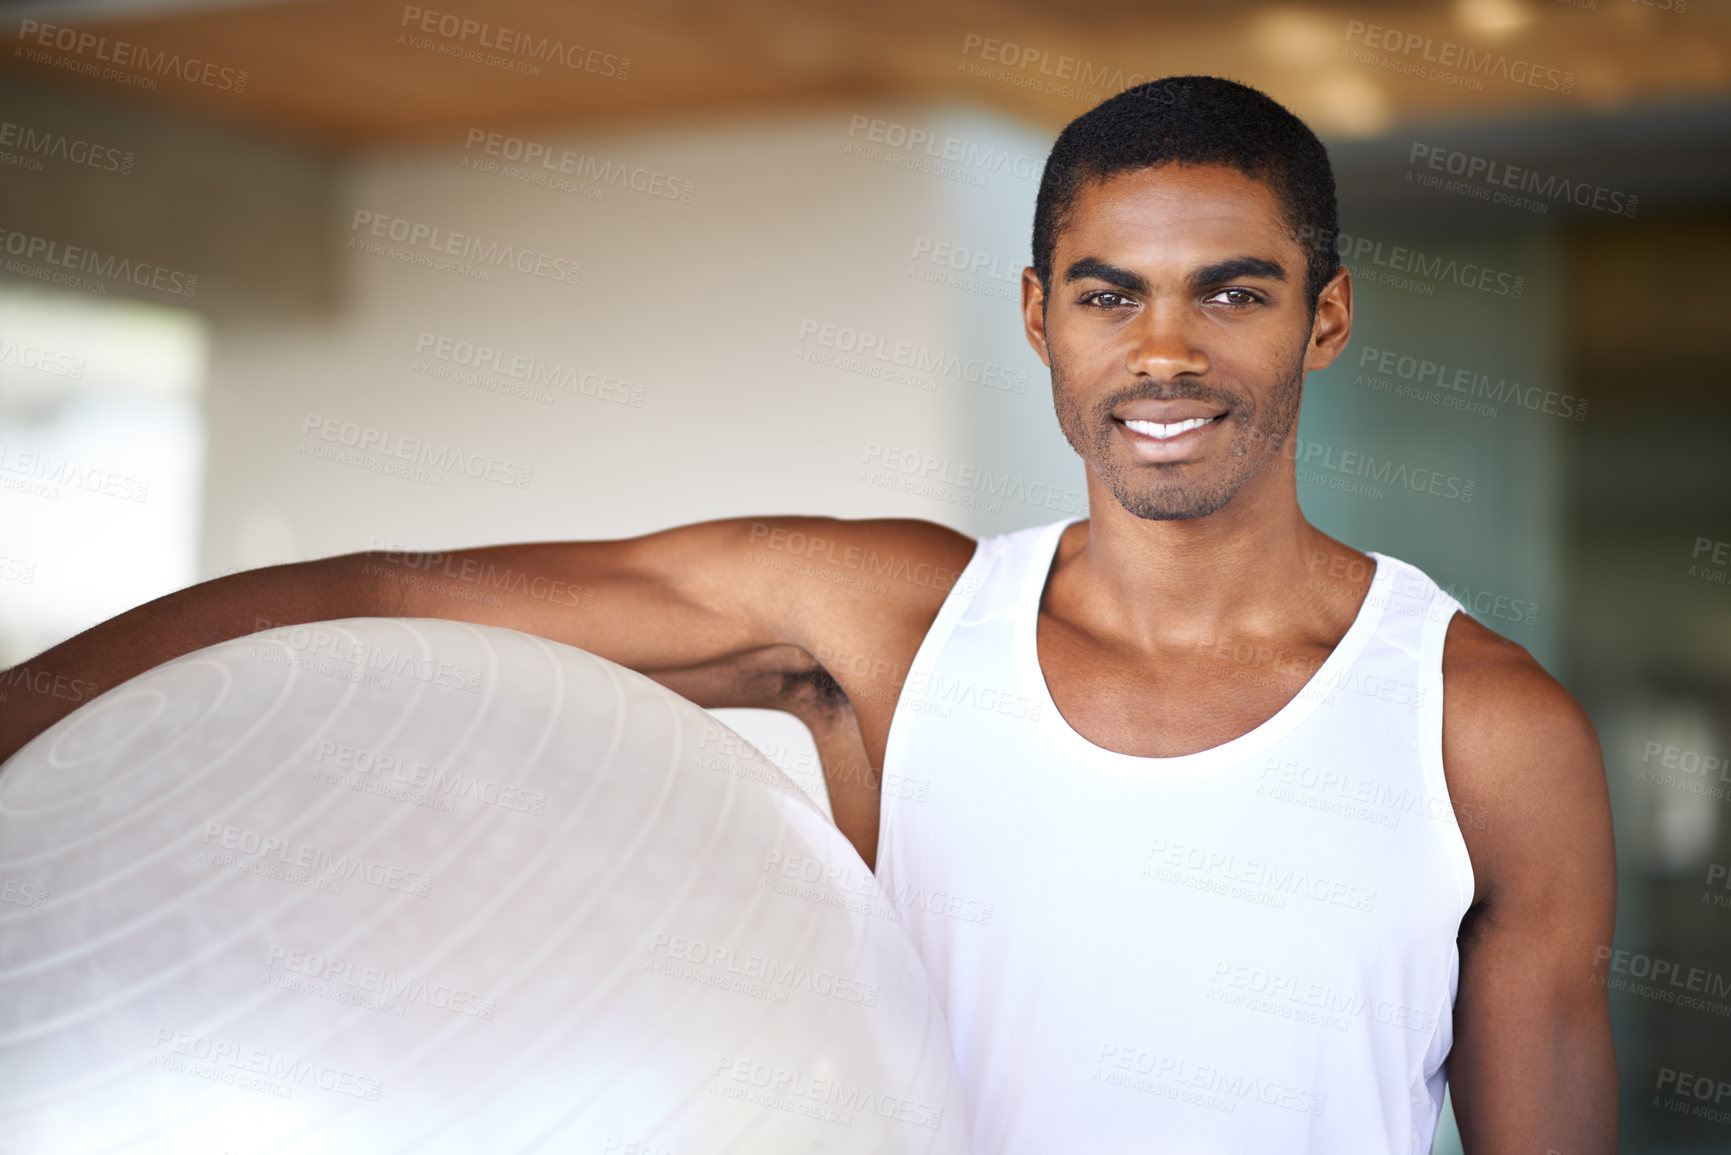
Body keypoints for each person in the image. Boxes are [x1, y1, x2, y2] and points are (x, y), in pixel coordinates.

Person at [0, 76, 1615, 1153]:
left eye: (1233, 291)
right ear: (1042, 317)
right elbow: (391, 601)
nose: (1165, 354)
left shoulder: (1482, 728)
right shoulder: (890, 622)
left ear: (1324, 316)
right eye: (1112, 294)